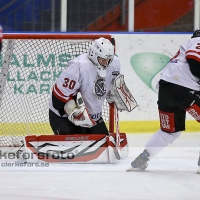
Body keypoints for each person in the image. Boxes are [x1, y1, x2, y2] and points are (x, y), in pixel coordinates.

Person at [127, 30, 200, 173]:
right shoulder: (198, 41)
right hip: (184, 89)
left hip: (166, 90)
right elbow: (195, 65)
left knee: (170, 131)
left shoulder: (187, 45)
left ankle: (143, 158)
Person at [48, 37, 120, 135]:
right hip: (63, 115)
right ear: (93, 54)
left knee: (103, 143)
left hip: (92, 117)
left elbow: (109, 86)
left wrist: (114, 92)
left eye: (109, 60)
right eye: (103, 60)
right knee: (74, 144)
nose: (106, 64)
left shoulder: (114, 63)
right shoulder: (78, 66)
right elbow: (57, 99)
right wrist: (74, 111)